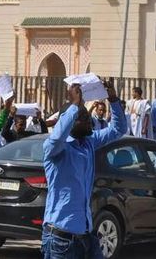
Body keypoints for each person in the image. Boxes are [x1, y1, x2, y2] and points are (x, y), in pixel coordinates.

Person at [40, 82, 127, 258]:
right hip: (61, 239)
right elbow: (56, 139)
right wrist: (74, 105)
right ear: (70, 121)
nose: (89, 120)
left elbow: (119, 129)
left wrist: (113, 99)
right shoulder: (56, 149)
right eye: (83, 117)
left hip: (86, 234)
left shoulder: (88, 143)